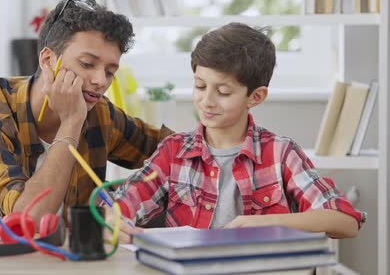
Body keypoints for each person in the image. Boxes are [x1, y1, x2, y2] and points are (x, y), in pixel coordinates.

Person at [0, 0, 173, 226]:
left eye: (109, 71)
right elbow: (30, 219)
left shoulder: (100, 114)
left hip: (45, 262)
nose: (99, 81)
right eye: (87, 64)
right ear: (48, 60)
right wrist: (71, 122)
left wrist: (212, 107)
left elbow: (179, 152)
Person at [109, 23, 366, 243]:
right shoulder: (174, 151)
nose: (207, 101)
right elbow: (118, 207)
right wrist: (114, 221)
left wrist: (268, 223)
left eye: (223, 92)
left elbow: (345, 221)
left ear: (255, 97)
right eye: (200, 86)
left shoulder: (280, 154)